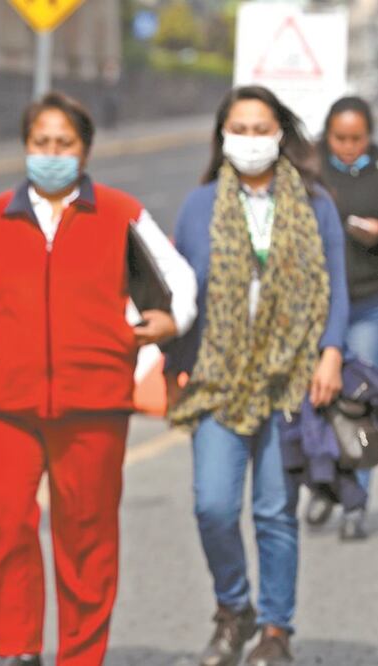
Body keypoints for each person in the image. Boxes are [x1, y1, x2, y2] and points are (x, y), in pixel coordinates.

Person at [0, 91, 197, 666]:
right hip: (4, 402)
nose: (51, 153)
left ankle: (81, 655)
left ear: (84, 150)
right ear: (25, 147)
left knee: (88, 535)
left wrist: (171, 319)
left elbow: (179, 281)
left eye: (64, 143)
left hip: (95, 400)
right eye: (40, 143)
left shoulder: (122, 212)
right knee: (2, 523)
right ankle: (16, 648)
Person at [166, 85, 349, 666]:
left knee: (275, 510)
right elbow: (179, 292)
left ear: (280, 135)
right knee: (213, 506)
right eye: (238, 128)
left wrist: (331, 354)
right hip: (218, 381)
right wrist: (174, 361)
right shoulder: (198, 206)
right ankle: (234, 606)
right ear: (222, 136)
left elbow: (335, 287)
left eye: (260, 128)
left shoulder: (316, 203)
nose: (249, 139)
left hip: (290, 379)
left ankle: (275, 629)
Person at [306, 95, 378, 540]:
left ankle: (359, 499)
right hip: (318, 309)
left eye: (357, 138)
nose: (348, 146)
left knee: (361, 405)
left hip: (368, 307)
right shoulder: (312, 175)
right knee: (318, 402)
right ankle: (324, 482)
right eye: (340, 138)